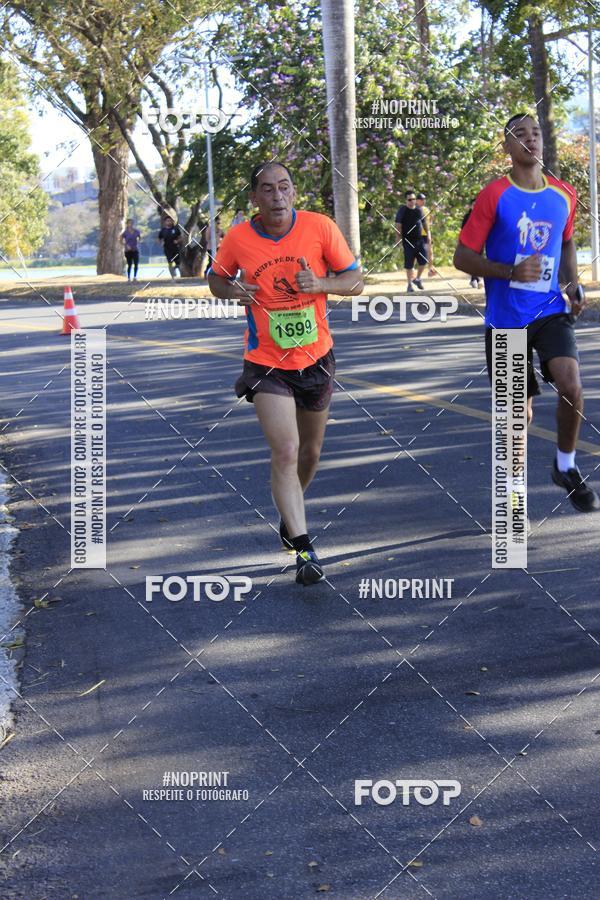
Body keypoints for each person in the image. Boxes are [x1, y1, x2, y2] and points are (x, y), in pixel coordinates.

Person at [208, 161, 364, 584]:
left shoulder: (320, 227)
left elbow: (355, 280)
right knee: (287, 450)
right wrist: (232, 290)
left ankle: (289, 510)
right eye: (267, 189)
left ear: (293, 192)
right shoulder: (238, 237)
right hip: (266, 362)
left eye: (284, 187)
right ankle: (304, 547)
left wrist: (322, 285)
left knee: (310, 453)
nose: (277, 196)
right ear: (254, 198)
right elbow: (216, 280)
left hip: (316, 359)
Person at [454, 112, 599, 513]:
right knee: (517, 416)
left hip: (550, 310)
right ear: (507, 146)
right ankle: (513, 499)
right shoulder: (494, 195)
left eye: (535, 133)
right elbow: (462, 256)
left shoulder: (563, 194)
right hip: (506, 320)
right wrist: (509, 271)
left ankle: (565, 465)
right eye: (520, 134)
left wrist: (571, 283)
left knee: (571, 385)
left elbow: (566, 242)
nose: (530, 139)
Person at [394, 189, 427, 292]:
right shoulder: (402, 210)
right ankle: (409, 285)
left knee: (423, 261)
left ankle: (417, 279)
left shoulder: (419, 210)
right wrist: (398, 239)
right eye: (410, 199)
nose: (412, 201)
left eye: (414, 199)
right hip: (407, 241)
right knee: (409, 264)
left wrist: (428, 235)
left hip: (419, 240)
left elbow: (424, 223)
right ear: (406, 200)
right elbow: (398, 225)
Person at [460, 200, 481, 288]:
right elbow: (463, 229)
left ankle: (475, 277)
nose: (475, 206)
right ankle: (474, 279)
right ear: (470, 206)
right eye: (473, 204)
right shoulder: (467, 216)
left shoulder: (481, 216)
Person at [416, 192, 435, 277]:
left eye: (424, 199)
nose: (423, 201)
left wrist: (430, 223)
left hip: (426, 233)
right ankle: (412, 271)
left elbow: (430, 220)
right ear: (417, 201)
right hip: (417, 234)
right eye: (421, 199)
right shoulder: (414, 210)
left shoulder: (426, 209)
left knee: (430, 251)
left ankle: (430, 270)